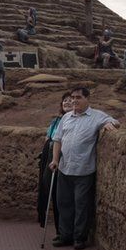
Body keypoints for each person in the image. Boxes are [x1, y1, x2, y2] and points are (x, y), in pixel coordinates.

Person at [48, 87, 120, 249]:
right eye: (73, 97)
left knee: (81, 205)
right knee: (64, 203)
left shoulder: (96, 116)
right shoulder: (66, 117)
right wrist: (54, 160)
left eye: (78, 97)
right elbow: (57, 140)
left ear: (87, 99)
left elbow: (115, 121)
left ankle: (79, 237)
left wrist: (109, 123)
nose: (74, 101)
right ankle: (65, 235)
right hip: (64, 168)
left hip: (84, 170)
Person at [37, 92, 73, 228]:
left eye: (70, 100)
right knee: (47, 187)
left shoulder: (74, 120)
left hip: (65, 158)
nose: (67, 103)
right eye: (65, 101)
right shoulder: (56, 121)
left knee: (62, 194)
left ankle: (62, 227)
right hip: (51, 157)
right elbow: (48, 138)